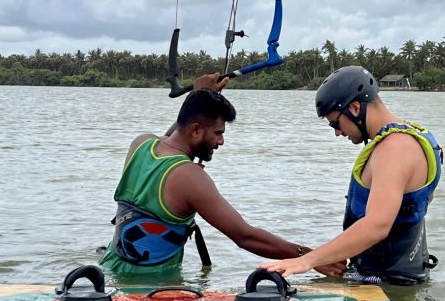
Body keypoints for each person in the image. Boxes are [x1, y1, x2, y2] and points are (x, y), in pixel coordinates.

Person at [100, 73, 344, 277]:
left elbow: (174, 137)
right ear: (196, 130)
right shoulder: (190, 177)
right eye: (217, 133)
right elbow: (245, 236)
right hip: (150, 286)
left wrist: (196, 97)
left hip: (111, 269)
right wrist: (310, 258)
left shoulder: (142, 144)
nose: (221, 141)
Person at [258, 66, 443, 285]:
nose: (337, 132)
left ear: (355, 107)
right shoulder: (416, 136)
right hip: (402, 277)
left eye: (335, 123)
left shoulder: (394, 149)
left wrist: (305, 261)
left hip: (386, 286)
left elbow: (377, 226)